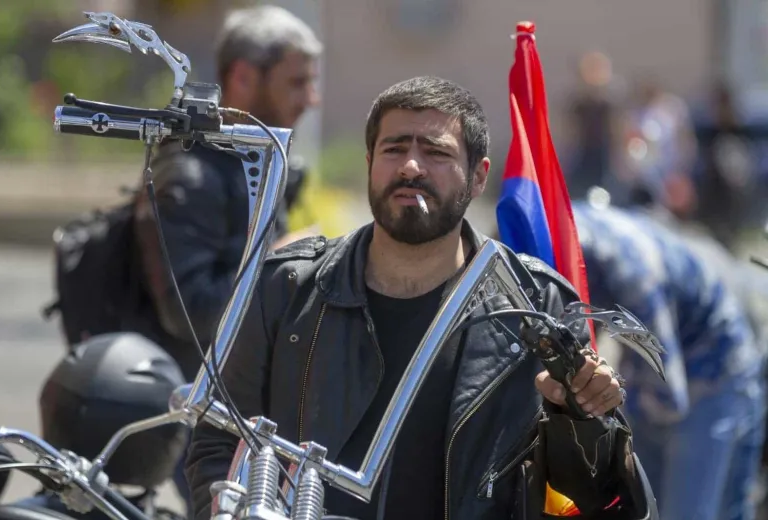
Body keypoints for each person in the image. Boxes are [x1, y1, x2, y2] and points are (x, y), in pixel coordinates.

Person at [185, 76, 653, 520]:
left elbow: (597, 499)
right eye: (394, 149)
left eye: (436, 152)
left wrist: (581, 417)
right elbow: (218, 441)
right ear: (370, 164)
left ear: (478, 177)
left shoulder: (536, 305)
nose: (411, 167)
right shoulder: (287, 287)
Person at [133, 4, 323, 381]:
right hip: (186, 400)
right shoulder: (191, 176)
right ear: (243, 77)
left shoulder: (256, 162)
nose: (311, 99)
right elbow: (190, 314)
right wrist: (282, 259)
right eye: (296, 83)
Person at [572, 192, 767, 520]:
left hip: (716, 371)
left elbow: (667, 391)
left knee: (683, 510)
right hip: (670, 360)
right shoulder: (562, 227)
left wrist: (607, 416)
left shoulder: (632, 273)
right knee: (643, 504)